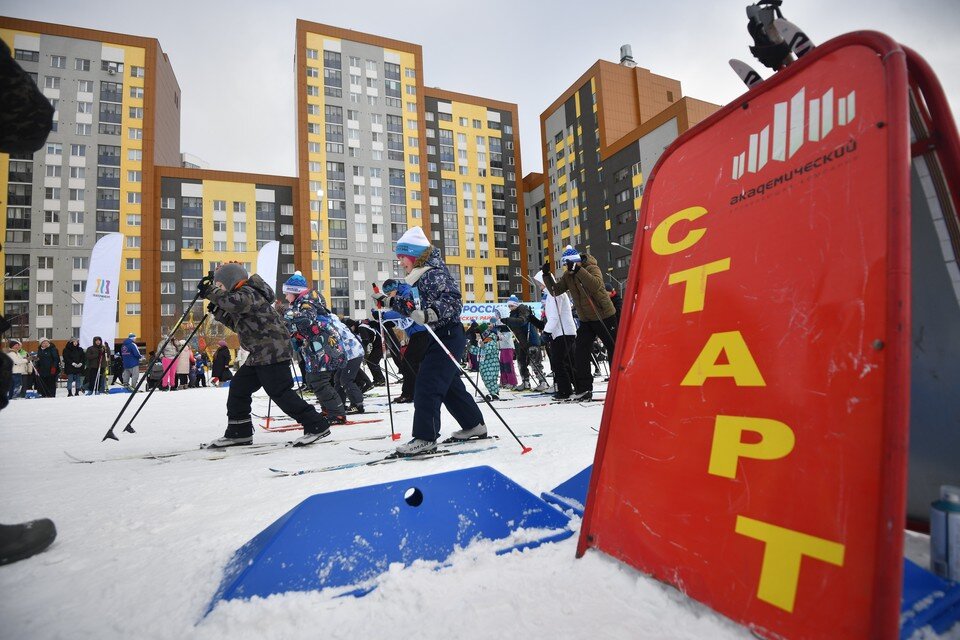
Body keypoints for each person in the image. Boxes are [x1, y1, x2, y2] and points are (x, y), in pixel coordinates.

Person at [198, 262, 331, 447]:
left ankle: (316, 424)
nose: (219, 290)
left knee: (280, 392)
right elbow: (242, 325)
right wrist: (221, 313)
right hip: (259, 353)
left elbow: (235, 303)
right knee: (239, 388)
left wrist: (210, 292)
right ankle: (239, 432)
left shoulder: (248, 293)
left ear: (231, 282)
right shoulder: (245, 296)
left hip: (272, 351)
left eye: (220, 286)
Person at [379, 226, 485, 456]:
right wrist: (387, 303)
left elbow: (453, 300)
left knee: (427, 384)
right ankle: (474, 424)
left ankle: (425, 437)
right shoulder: (420, 276)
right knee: (448, 385)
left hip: (447, 333)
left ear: (414, 255)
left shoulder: (433, 273)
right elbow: (413, 309)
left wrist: (431, 313)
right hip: (439, 335)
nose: (401, 263)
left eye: (402, 258)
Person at [542, 245, 617, 401]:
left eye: (569, 264)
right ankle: (584, 388)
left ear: (577, 262)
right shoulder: (568, 275)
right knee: (580, 352)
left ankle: (619, 382)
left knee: (613, 348)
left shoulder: (591, 268)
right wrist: (547, 275)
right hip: (586, 319)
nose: (567, 268)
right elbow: (556, 291)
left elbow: (596, 285)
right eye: (565, 265)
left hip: (603, 314)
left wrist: (578, 270)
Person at [281, 271, 347, 424]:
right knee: (313, 380)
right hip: (317, 348)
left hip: (325, 348)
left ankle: (337, 413)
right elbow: (305, 327)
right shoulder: (302, 303)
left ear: (295, 292)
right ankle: (328, 409)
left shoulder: (306, 302)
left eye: (287, 293)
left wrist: (287, 315)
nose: (285, 297)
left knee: (319, 381)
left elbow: (306, 319)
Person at [375, 278, 428, 404]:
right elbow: (401, 316)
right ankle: (419, 391)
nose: (388, 297)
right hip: (418, 332)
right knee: (417, 364)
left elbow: (404, 311)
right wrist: (386, 320)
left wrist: (383, 316)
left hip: (421, 332)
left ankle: (409, 394)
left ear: (393, 289)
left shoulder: (406, 293)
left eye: (388, 294)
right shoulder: (401, 293)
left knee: (408, 363)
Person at [535, 270, 577, 400]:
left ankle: (565, 391)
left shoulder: (554, 295)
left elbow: (554, 317)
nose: (540, 287)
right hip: (562, 332)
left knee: (558, 363)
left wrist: (546, 333)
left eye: (541, 284)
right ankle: (577, 386)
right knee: (566, 362)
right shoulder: (553, 295)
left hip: (563, 332)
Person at [501, 295, 549, 392]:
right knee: (521, 362)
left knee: (534, 362)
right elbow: (513, 327)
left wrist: (508, 320)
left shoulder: (523, 309)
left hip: (531, 340)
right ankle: (525, 382)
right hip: (522, 342)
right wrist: (501, 326)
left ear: (516, 304)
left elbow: (522, 321)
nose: (510, 307)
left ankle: (542, 382)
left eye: (512, 305)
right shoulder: (512, 314)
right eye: (509, 306)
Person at [470, 322, 501, 400]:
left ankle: (494, 393)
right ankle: (492, 392)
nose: (477, 337)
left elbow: (490, 349)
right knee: (486, 379)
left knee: (490, 379)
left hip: (491, 364)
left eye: (478, 335)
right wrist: (471, 347)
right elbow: (478, 351)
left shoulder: (491, 339)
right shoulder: (482, 341)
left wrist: (483, 346)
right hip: (484, 365)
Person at [497, 321, 518, 388]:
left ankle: (512, 382)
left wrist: (498, 333)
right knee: (502, 365)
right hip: (503, 349)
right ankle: (504, 381)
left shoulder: (508, 332)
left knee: (508, 366)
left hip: (508, 349)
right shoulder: (502, 332)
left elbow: (502, 338)